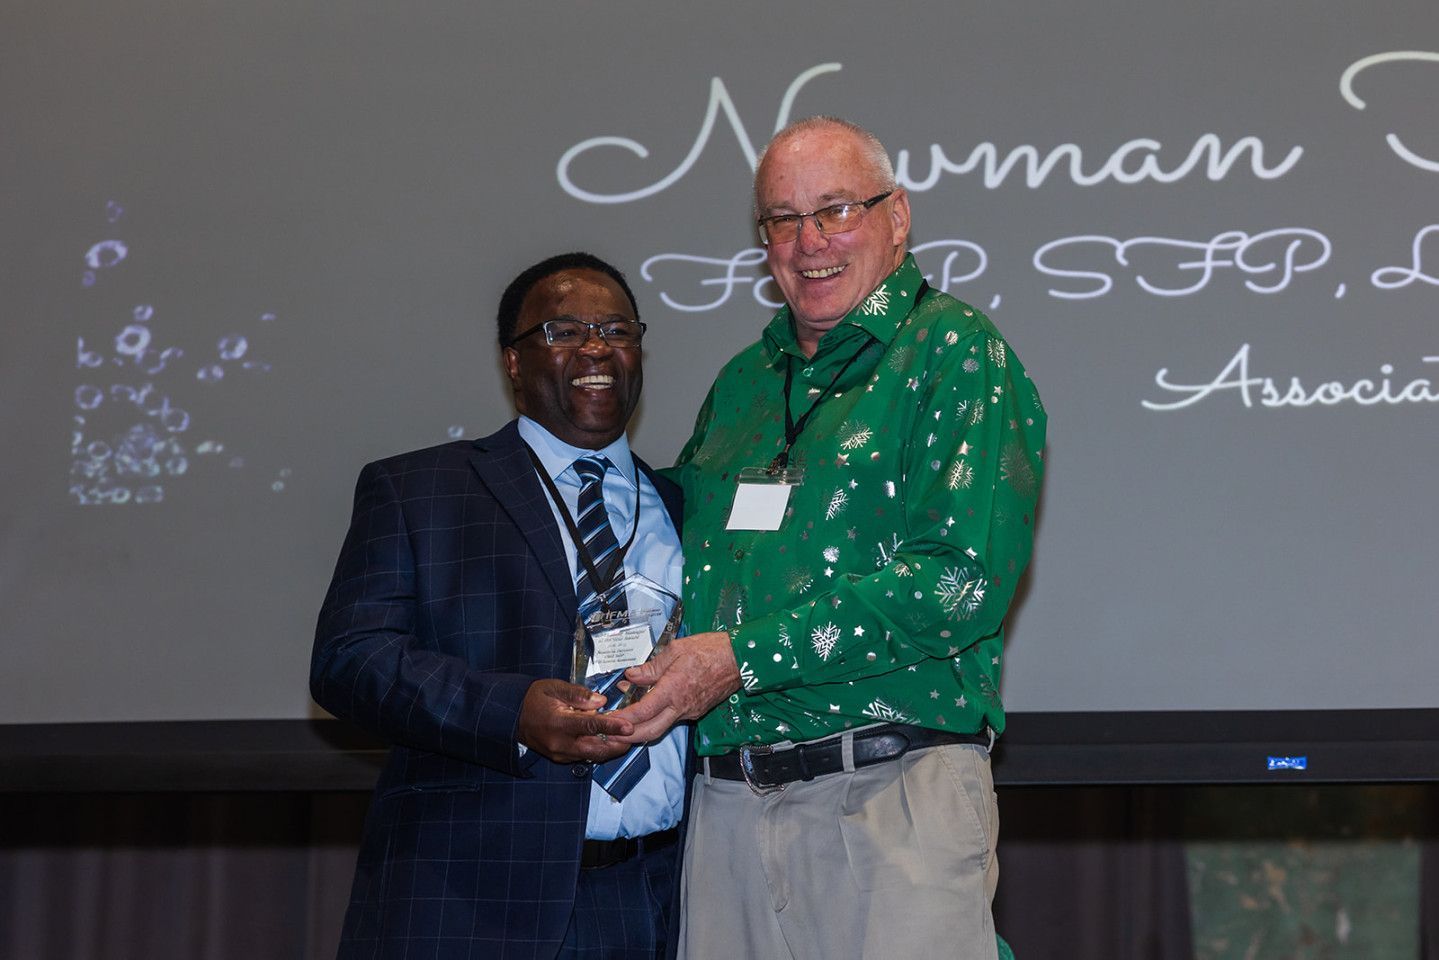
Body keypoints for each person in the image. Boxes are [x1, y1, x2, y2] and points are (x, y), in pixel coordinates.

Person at [613, 117, 1046, 959]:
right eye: (782, 219)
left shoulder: (953, 351)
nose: (809, 241)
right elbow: (679, 558)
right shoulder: (741, 383)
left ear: (896, 216)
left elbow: (954, 584)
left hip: (888, 798)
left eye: (836, 210)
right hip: (725, 812)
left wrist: (739, 657)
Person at [311, 252, 687, 960]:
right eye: (563, 331)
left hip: (655, 899)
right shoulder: (420, 489)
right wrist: (508, 711)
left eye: (616, 329)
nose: (596, 348)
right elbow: (348, 658)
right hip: (472, 899)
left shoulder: (680, 504)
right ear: (512, 362)